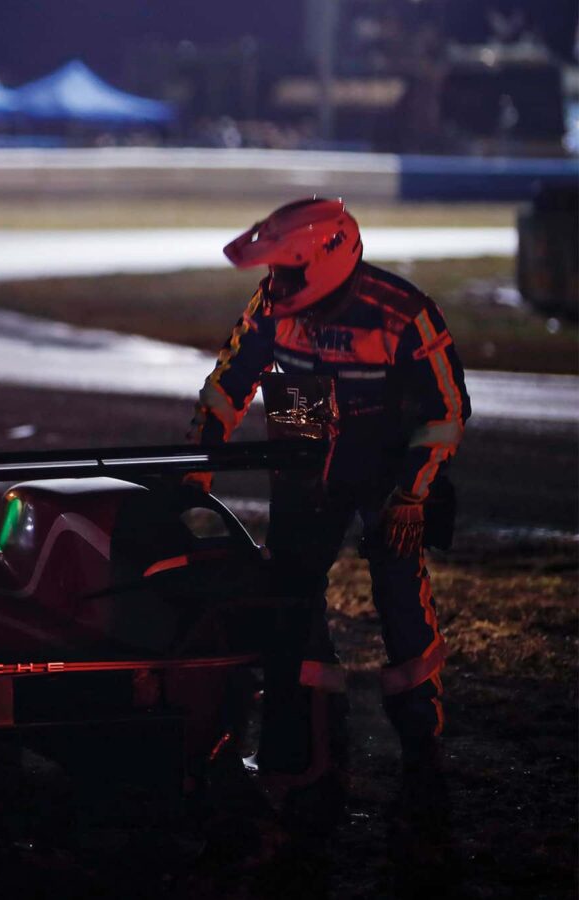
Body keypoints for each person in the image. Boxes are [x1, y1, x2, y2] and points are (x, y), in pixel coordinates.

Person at [185, 198, 469, 838]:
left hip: (388, 469)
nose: (274, 288)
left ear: (327, 262)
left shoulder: (403, 314)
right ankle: (307, 752)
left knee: (400, 599)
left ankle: (423, 758)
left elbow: (447, 410)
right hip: (303, 444)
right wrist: (198, 460)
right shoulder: (272, 305)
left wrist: (411, 496)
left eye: (287, 273)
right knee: (292, 600)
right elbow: (231, 380)